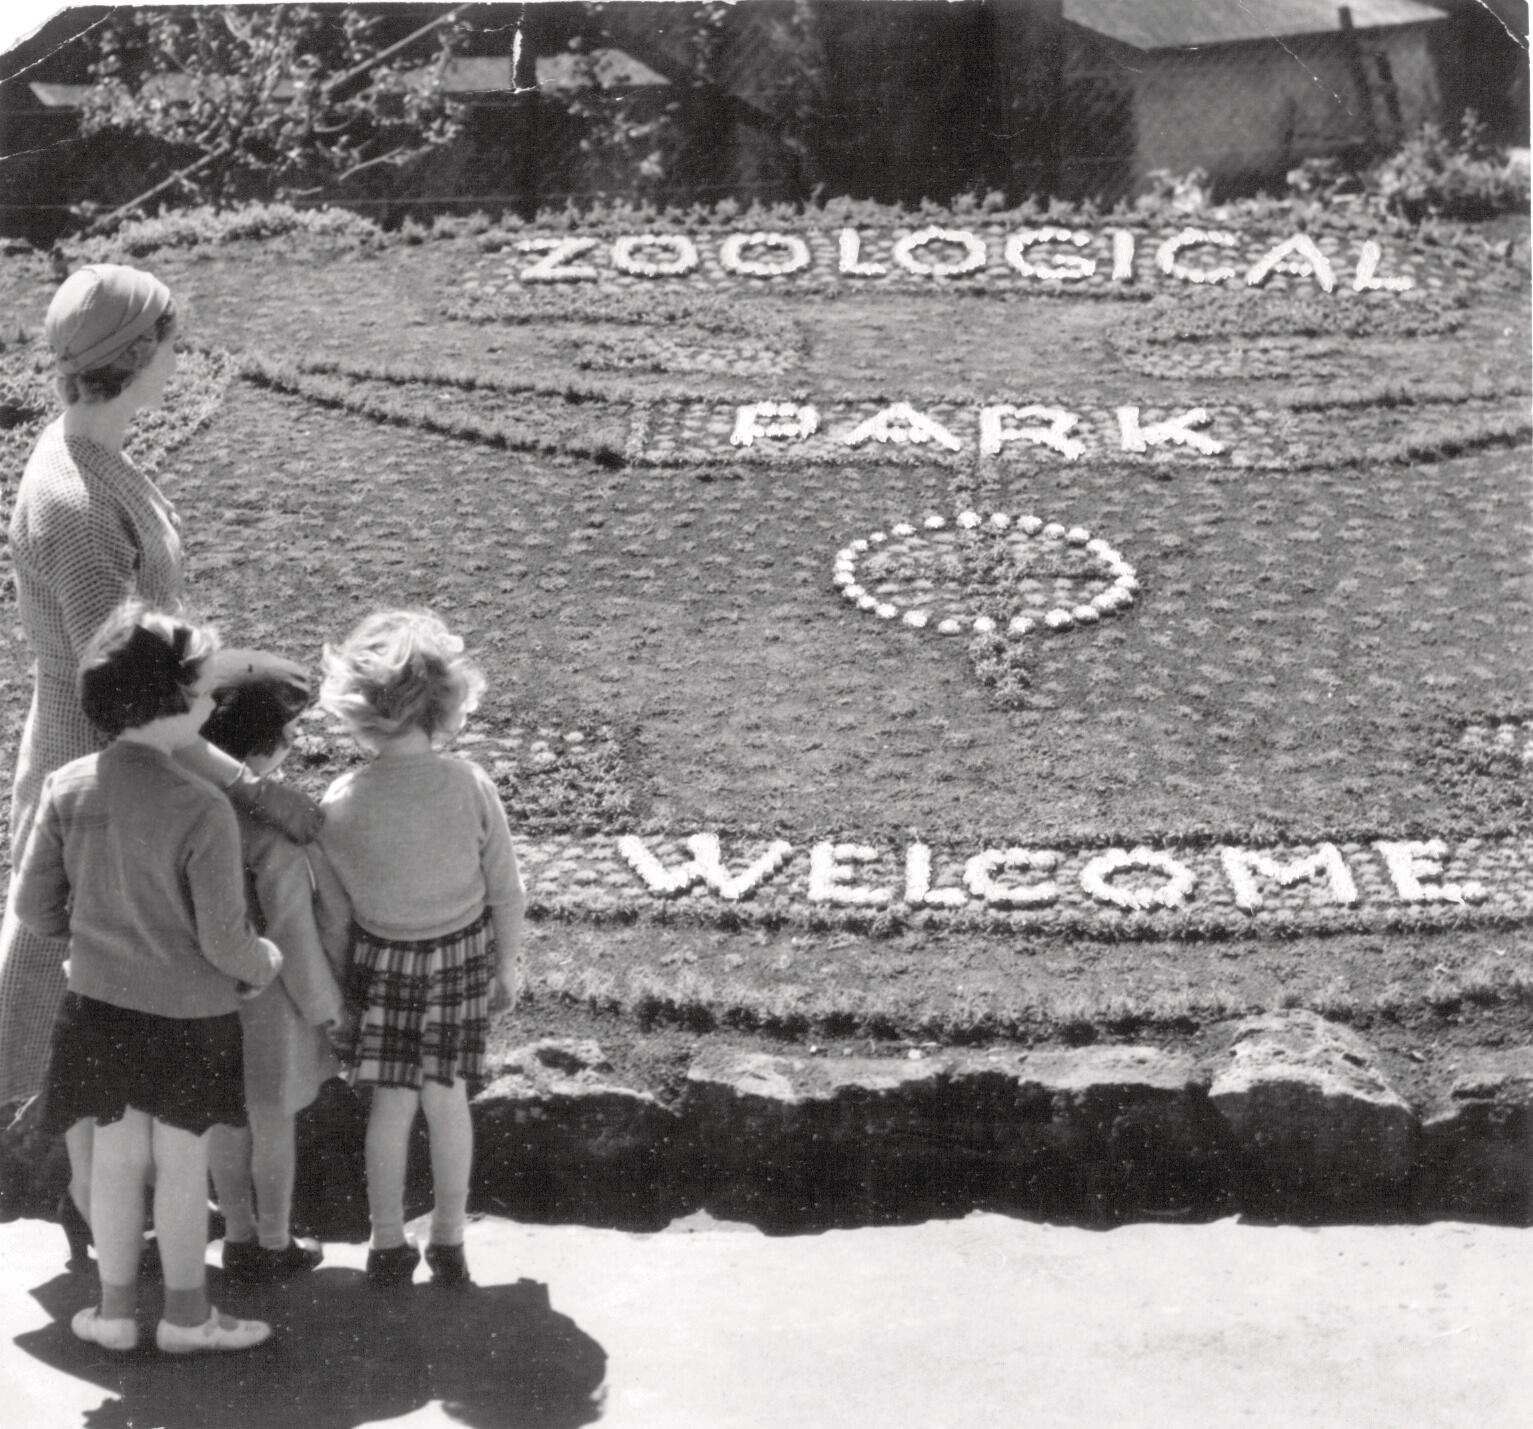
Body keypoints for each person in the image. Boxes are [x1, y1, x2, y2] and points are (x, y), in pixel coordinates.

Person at [0, 262, 321, 1264]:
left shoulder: (94, 455)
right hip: (109, 754)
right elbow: (130, 695)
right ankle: (90, 1198)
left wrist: (237, 669)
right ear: (136, 358)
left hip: (120, 731)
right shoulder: (76, 505)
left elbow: (148, 655)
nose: (181, 360)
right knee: (105, 961)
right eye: (172, 343)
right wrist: (250, 783)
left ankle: (110, 1197)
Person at [13, 602, 279, 1354]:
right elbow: (227, 939)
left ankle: (115, 1311)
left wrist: (93, 936)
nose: (212, 698)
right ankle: (188, 1317)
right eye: (201, 687)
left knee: (116, 1161)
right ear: (169, 700)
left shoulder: (69, 786)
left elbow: (34, 905)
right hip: (189, 1019)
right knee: (182, 1166)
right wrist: (267, 965)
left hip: (96, 1007)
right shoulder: (202, 807)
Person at [317, 609, 525, 1288]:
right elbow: (505, 889)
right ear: (446, 703)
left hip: (383, 963)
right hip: (460, 956)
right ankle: (449, 1237)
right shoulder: (467, 784)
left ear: (355, 709)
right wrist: (506, 964)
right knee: (448, 1098)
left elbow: (338, 914)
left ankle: (384, 1243)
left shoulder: (341, 801)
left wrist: (346, 985)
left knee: (391, 1106)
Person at [202, 657, 351, 1283]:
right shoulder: (276, 836)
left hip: (204, 1001)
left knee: (220, 1122)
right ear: (263, 746)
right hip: (271, 1012)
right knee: (271, 1124)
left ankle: (233, 1232)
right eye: (289, 731)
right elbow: (294, 932)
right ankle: (272, 1240)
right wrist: (328, 1008)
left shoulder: (191, 810)